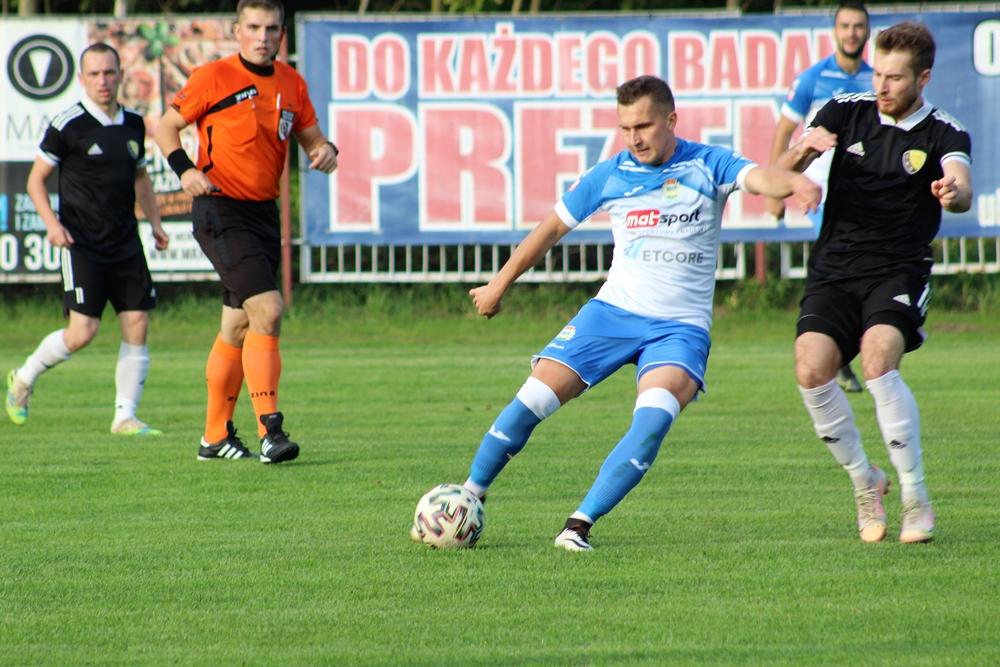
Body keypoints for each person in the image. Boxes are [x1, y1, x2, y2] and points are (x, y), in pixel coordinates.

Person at [456, 75, 820, 551]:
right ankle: (466, 497)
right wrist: (498, 285)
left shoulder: (708, 164)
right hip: (612, 314)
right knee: (532, 400)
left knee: (652, 421)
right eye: (625, 128)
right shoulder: (609, 175)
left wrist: (793, 180)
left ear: (671, 120)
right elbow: (549, 230)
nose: (634, 138)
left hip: (679, 329)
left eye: (644, 126)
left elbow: (759, 179)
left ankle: (577, 526)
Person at [778, 22, 972, 543]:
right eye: (878, 74)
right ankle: (865, 481)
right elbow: (781, 171)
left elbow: (962, 187)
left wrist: (953, 192)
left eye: (895, 78)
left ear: (923, 78)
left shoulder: (945, 133)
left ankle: (915, 497)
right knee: (810, 368)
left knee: (878, 359)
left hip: (898, 270)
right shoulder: (846, 110)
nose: (882, 86)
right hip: (835, 269)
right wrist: (803, 152)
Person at [154, 0, 338, 463]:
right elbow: (166, 127)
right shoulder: (213, 77)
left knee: (237, 324)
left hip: (262, 215)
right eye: (253, 27)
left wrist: (326, 150)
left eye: (271, 28)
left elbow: (312, 139)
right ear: (237, 31)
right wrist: (185, 170)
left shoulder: (292, 83)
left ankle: (214, 437)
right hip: (220, 207)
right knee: (268, 310)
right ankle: (270, 432)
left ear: (281, 34)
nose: (262, 36)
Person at [5, 43, 169, 435]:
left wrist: (156, 223)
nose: (103, 81)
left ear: (120, 75)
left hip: (125, 242)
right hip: (82, 244)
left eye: (109, 72)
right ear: (81, 78)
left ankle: (124, 416)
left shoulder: (133, 124)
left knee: (137, 322)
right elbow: (35, 182)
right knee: (83, 333)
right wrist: (52, 224)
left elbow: (141, 178)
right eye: (94, 74)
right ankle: (23, 379)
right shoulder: (68, 125)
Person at [767, 0, 873, 394]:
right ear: (835, 31)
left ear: (867, 31)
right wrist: (776, 187)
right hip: (821, 193)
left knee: (859, 271)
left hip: (863, 194)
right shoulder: (812, 79)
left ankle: (841, 345)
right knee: (843, 267)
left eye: (858, 26)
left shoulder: (876, 79)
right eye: (845, 25)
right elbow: (784, 132)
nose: (851, 33)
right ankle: (835, 348)